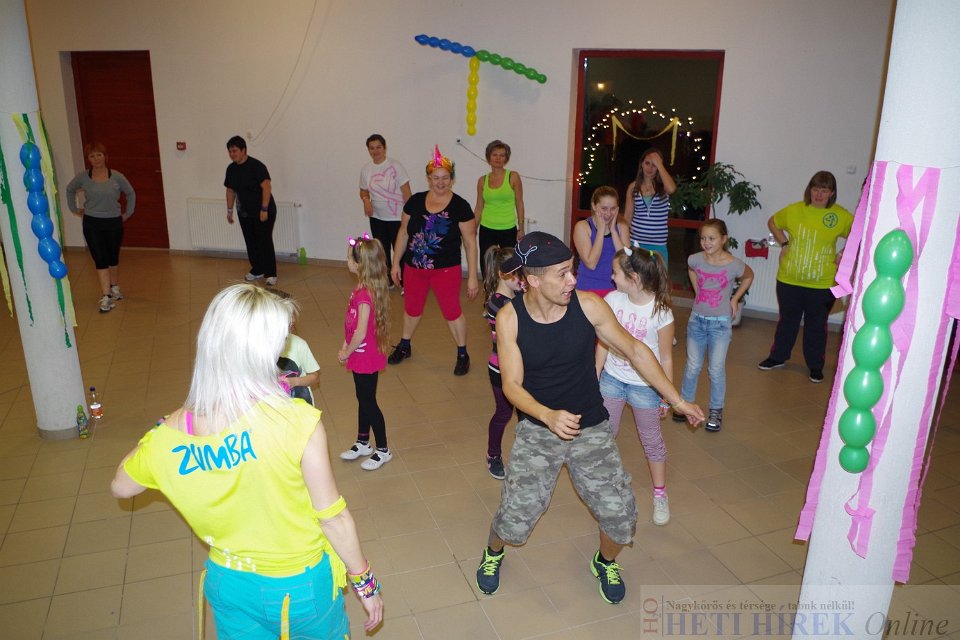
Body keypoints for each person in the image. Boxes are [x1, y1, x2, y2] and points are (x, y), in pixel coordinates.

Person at [110, 284, 383, 637]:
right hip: (299, 588)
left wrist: (171, 422)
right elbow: (333, 519)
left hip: (229, 585)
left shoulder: (167, 438)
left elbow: (122, 486)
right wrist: (365, 583)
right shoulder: (297, 421)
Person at [474, 232, 704, 605]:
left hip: (591, 427)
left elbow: (635, 350)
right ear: (533, 280)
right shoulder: (510, 318)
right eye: (562, 274)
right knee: (515, 518)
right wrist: (547, 415)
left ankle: (604, 561)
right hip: (539, 427)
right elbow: (511, 385)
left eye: (572, 271)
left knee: (621, 518)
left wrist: (677, 399)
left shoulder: (589, 306)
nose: (572, 280)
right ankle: (493, 552)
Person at [595, 247, 675, 526]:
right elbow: (604, 342)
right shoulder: (612, 300)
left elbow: (666, 357)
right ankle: (604, 488)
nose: (611, 277)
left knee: (651, 440)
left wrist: (666, 396)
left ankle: (660, 494)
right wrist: (595, 376)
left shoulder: (661, 312)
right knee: (605, 434)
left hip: (645, 387)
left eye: (615, 273)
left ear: (633, 278)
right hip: (612, 379)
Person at [389, 146, 479, 376]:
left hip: (446, 269)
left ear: (452, 179)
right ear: (429, 179)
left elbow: (470, 243)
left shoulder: (460, 206)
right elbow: (403, 233)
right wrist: (395, 263)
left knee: (452, 311)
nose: (441, 182)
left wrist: (472, 277)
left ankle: (462, 354)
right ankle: (405, 345)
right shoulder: (415, 201)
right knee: (411, 309)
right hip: (414, 267)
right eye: (436, 177)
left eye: (445, 178)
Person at [759, 171, 852, 383]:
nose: (819, 194)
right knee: (787, 322)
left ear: (832, 193)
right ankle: (778, 357)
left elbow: (860, 235)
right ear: (810, 190)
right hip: (789, 280)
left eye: (824, 190)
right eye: (815, 189)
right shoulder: (794, 210)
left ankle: (815, 366)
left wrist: (842, 253)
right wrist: (784, 243)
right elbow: (773, 222)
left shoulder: (840, 215)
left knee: (816, 326)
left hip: (822, 284)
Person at [676, 219, 754, 431]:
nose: (706, 242)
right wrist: (697, 291)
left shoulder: (733, 264)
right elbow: (691, 269)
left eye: (711, 238)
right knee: (692, 366)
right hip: (696, 321)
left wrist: (735, 299)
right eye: (703, 238)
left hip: (720, 325)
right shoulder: (695, 259)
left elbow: (749, 276)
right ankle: (685, 405)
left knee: (716, 369)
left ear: (723, 239)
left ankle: (716, 410)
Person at [338, 235, 393, 471]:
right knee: (363, 397)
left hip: (365, 356)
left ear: (360, 264)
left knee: (368, 401)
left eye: (349, 257)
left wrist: (346, 352)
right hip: (361, 353)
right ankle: (363, 441)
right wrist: (345, 344)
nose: (346, 260)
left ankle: (383, 449)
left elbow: (360, 333)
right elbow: (352, 326)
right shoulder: (362, 288)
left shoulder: (364, 295)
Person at [65, 142, 136, 313]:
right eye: (92, 156)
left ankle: (114, 286)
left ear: (105, 156)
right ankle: (106, 296)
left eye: (99, 155)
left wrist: (127, 213)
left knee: (112, 257)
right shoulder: (83, 177)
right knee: (100, 259)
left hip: (113, 223)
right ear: (88, 159)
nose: (96, 159)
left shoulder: (117, 177)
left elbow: (130, 193)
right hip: (92, 223)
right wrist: (74, 209)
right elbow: (70, 189)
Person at [481, 246, 525, 480]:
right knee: (503, 414)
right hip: (501, 369)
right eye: (516, 275)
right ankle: (493, 455)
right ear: (502, 274)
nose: (521, 280)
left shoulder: (516, 297)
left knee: (526, 415)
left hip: (524, 368)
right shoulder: (498, 304)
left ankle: (527, 455)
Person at [224, 135, 278, 286]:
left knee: (264, 241)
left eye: (235, 151)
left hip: (263, 210)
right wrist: (229, 210)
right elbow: (230, 191)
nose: (232, 154)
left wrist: (264, 209)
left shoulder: (256, 166)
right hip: (244, 212)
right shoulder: (231, 169)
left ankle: (270, 273)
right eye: (230, 151)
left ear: (244, 150)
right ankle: (257, 269)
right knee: (250, 241)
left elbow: (266, 187)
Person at [359, 134, 411, 279]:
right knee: (381, 251)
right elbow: (363, 190)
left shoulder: (395, 166)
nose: (375, 151)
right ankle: (387, 281)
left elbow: (407, 192)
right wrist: (366, 200)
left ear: (385, 148)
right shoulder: (366, 169)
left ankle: (405, 281)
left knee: (401, 251)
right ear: (368, 150)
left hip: (397, 218)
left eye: (378, 147)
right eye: (372, 148)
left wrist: (409, 215)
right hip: (377, 218)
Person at [475, 140, 525, 278]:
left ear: (506, 158)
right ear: (488, 157)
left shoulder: (513, 177)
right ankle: (489, 290)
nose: (498, 158)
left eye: (502, 155)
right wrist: (472, 228)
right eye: (495, 155)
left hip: (507, 228)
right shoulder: (482, 180)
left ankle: (509, 291)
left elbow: (519, 203)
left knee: (510, 264)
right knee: (487, 264)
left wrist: (521, 227)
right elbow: (479, 206)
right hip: (487, 228)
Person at [573, 185, 629, 296]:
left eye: (613, 209)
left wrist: (613, 231)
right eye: (604, 208)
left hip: (617, 289)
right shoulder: (583, 227)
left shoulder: (622, 227)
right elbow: (591, 263)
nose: (608, 213)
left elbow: (626, 262)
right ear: (594, 206)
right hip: (588, 287)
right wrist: (601, 231)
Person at [623, 148, 676, 263]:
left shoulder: (664, 187)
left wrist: (659, 164)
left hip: (658, 246)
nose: (650, 168)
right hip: (636, 243)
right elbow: (627, 217)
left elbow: (672, 189)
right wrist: (625, 243)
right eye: (647, 163)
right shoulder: (633, 187)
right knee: (635, 274)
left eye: (654, 165)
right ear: (641, 164)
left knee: (658, 275)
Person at [275, 291, 321, 406]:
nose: (290, 327)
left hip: (301, 408)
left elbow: (314, 376)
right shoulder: (256, 350)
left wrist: (294, 382)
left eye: (291, 324)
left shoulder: (299, 344)